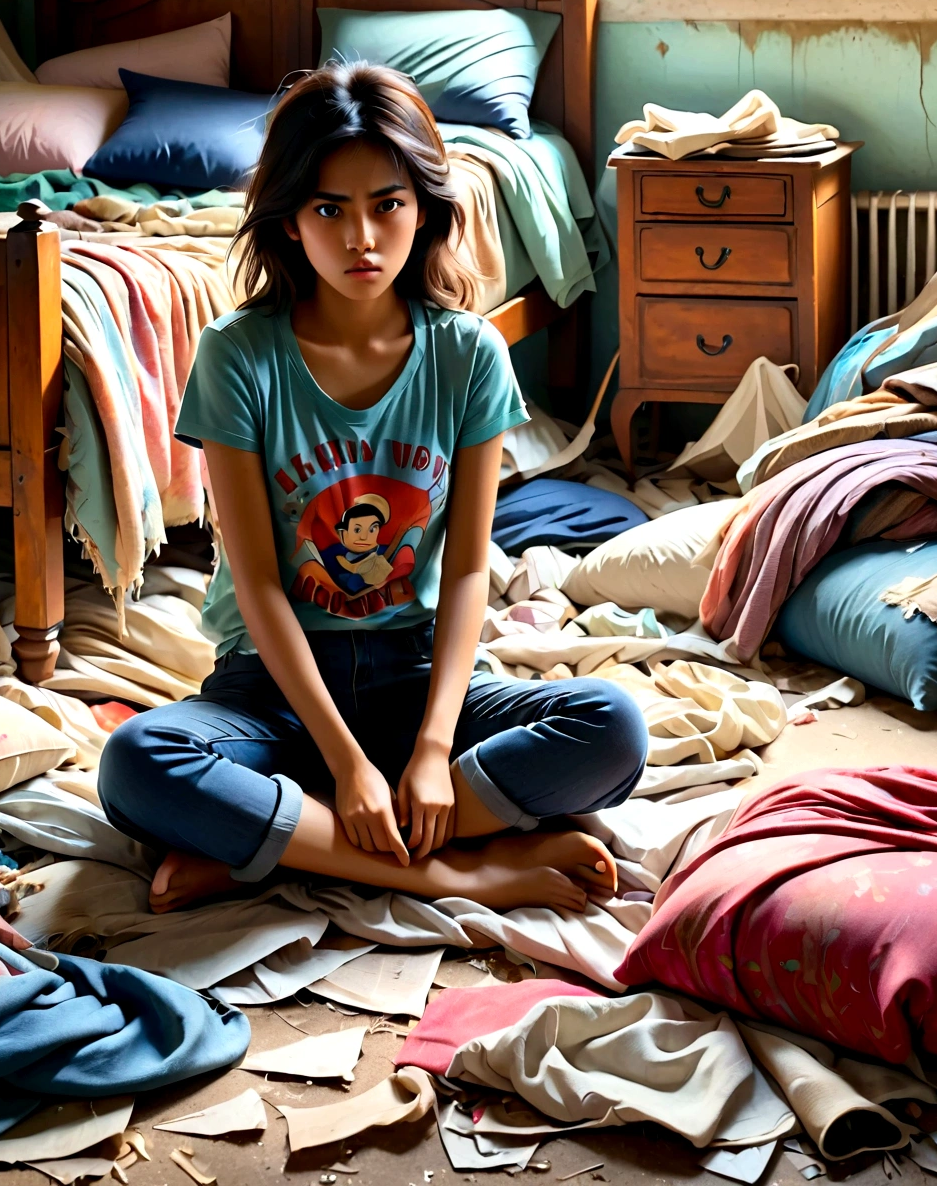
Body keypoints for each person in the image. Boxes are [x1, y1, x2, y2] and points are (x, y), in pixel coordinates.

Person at [98, 64, 647, 914]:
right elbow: (261, 585)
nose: (362, 238)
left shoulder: (468, 353)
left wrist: (431, 750)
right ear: (287, 220)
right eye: (330, 209)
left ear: (424, 209)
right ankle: (453, 864)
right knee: (138, 763)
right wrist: (352, 766)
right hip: (275, 692)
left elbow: (469, 571)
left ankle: (285, 844)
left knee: (612, 727)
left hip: (418, 675)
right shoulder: (237, 356)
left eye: (386, 205)